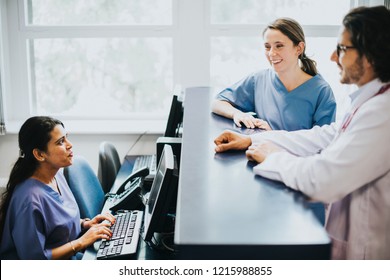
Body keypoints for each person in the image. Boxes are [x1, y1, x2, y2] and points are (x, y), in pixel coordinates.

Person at [214, 6, 390, 260]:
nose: (332, 57)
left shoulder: (380, 113)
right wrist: (253, 139)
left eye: (342, 48)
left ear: (370, 55)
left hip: (369, 251)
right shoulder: (370, 102)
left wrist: (273, 157)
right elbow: (325, 135)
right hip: (350, 235)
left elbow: (323, 180)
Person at [0, 116, 116, 260]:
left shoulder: (56, 176)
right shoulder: (29, 200)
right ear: (40, 154)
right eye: (61, 142)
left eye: (66, 138)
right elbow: (35, 261)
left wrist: (85, 224)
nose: (69, 145)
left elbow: (56, 224)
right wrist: (81, 242)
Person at [212, 17, 336, 131]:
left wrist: (272, 136)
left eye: (279, 46)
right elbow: (217, 103)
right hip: (260, 154)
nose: (271, 53)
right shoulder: (258, 80)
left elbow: (323, 142)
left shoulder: (321, 92)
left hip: (296, 156)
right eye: (267, 47)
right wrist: (238, 114)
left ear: (299, 48)